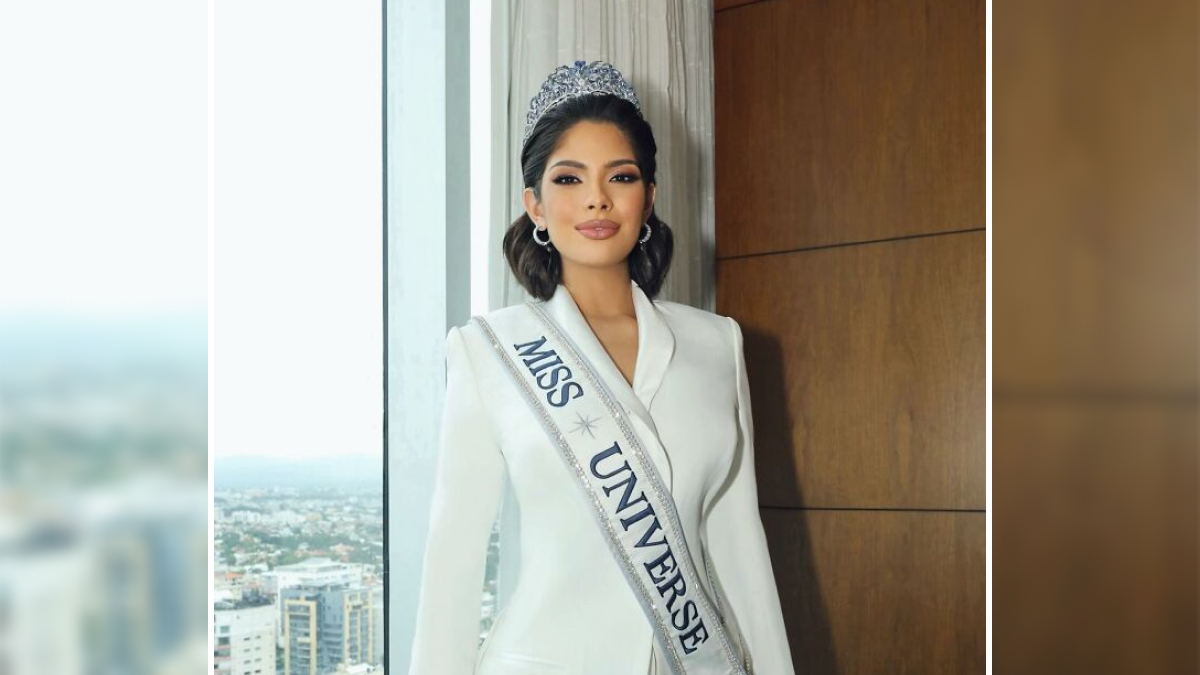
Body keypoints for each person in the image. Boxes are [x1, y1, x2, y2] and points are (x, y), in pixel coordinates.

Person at [408, 61, 795, 675]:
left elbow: (740, 546)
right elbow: (452, 564)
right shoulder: (488, 351)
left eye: (621, 175)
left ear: (649, 198)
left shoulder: (716, 345)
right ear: (533, 204)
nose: (597, 198)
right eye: (569, 178)